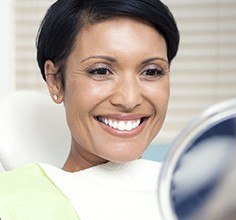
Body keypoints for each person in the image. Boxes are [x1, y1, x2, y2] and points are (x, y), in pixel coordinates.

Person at [0, 0, 179, 219]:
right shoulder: (11, 203)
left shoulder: (199, 194)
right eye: (101, 71)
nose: (129, 99)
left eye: (151, 72)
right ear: (55, 80)